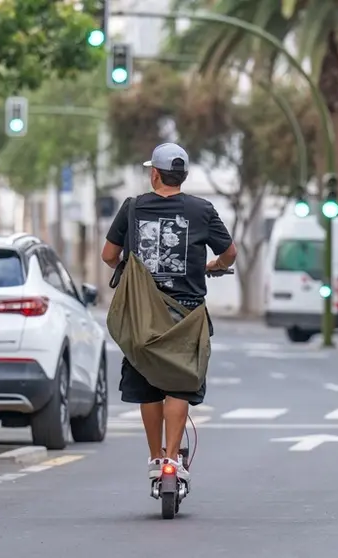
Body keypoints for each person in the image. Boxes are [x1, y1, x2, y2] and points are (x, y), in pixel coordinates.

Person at [101, 143, 237, 485]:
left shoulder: (132, 207)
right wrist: (215, 265)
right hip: (187, 314)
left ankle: (155, 457)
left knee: (146, 383)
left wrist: (131, 272)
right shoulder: (202, 210)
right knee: (179, 384)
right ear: (184, 176)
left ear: (154, 174)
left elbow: (108, 255)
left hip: (142, 312)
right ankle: (174, 460)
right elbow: (230, 253)